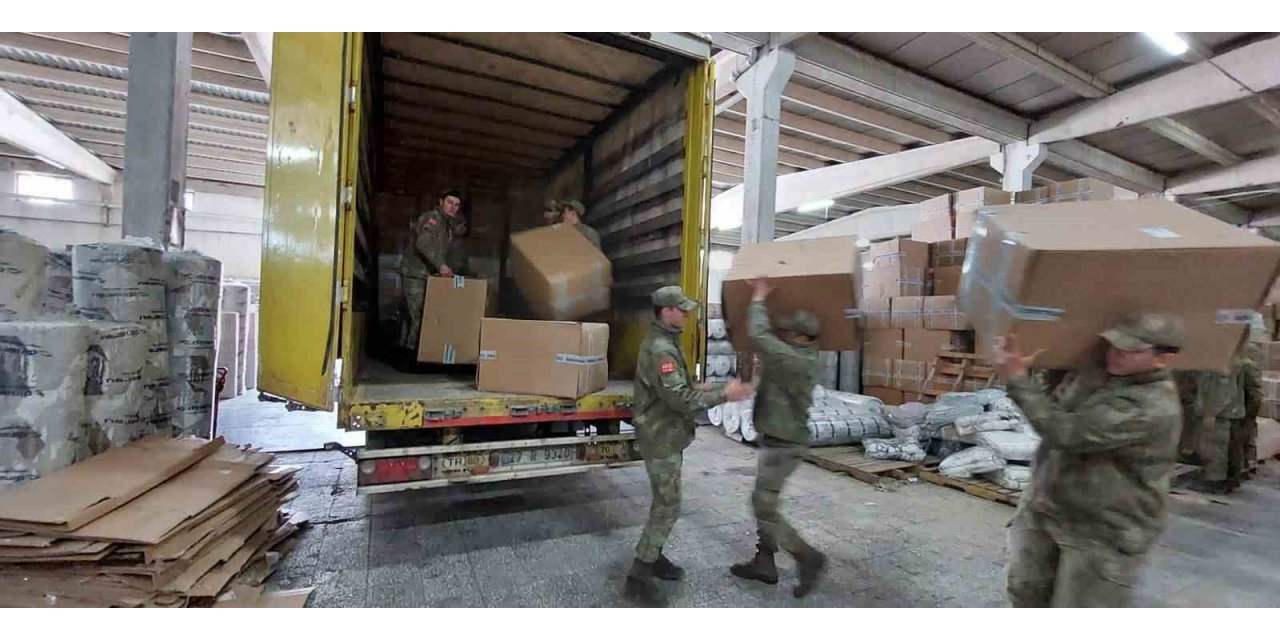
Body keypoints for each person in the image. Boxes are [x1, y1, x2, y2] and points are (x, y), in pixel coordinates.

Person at [994, 314, 1184, 608]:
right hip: (1048, 509)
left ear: (1163, 359)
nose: (1116, 354)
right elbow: (1055, 403)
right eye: (1114, 345)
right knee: (1025, 594)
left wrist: (1017, 380)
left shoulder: (1153, 405)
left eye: (1131, 350)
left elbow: (1067, 432)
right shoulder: (1098, 374)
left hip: (1103, 530)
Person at [627, 285, 754, 603]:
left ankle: (653, 554)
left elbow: (673, 388)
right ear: (666, 311)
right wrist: (725, 395)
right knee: (668, 505)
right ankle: (639, 573)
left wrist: (699, 386)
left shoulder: (666, 340)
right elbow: (680, 400)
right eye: (681, 309)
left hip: (665, 432)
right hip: (660, 436)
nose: (686, 314)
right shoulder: (661, 348)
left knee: (664, 502)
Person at [729, 278, 827, 598]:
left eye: (789, 332)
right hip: (777, 438)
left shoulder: (794, 359)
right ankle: (764, 562)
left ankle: (807, 557)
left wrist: (758, 297)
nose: (784, 334)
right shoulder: (799, 355)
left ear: (801, 336)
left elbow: (760, 335)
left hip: (785, 444)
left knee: (763, 504)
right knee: (765, 500)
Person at [399, 190, 468, 357]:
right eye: (450, 202)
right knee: (421, 317)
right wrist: (441, 266)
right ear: (441, 201)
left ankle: (405, 355)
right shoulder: (433, 218)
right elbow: (422, 244)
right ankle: (411, 357)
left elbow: (445, 248)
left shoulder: (447, 225)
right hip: (415, 274)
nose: (453, 207)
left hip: (424, 275)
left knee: (413, 318)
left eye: (457, 205)